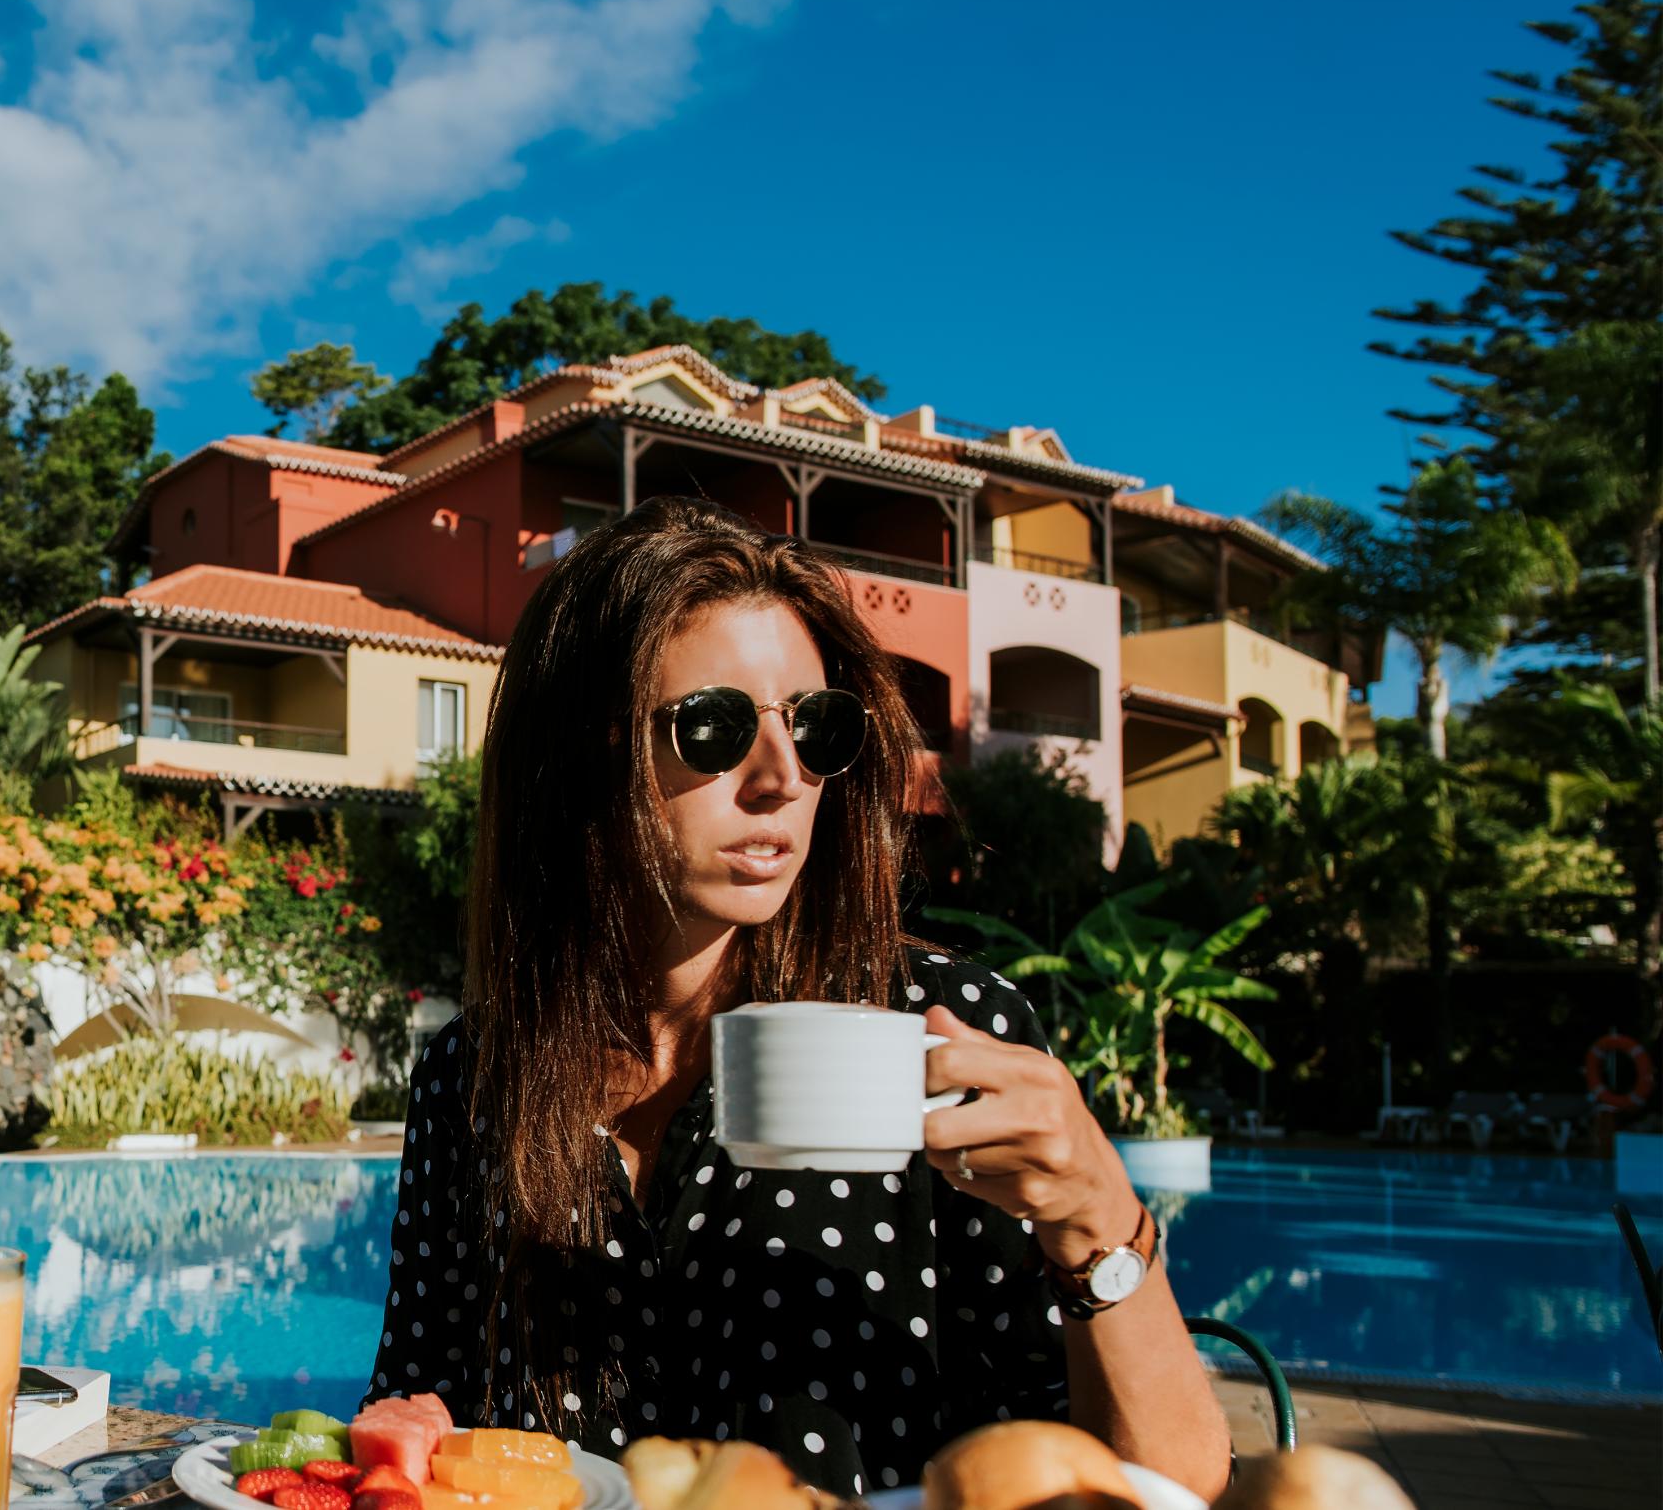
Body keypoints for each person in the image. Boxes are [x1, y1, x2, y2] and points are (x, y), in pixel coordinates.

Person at [364, 498, 1228, 1500]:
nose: (781, 776)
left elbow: (1170, 1485)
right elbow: (410, 1425)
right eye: (714, 727)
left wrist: (1095, 1214)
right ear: (583, 756)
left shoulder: (941, 1028)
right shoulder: (474, 1074)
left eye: (816, 726)